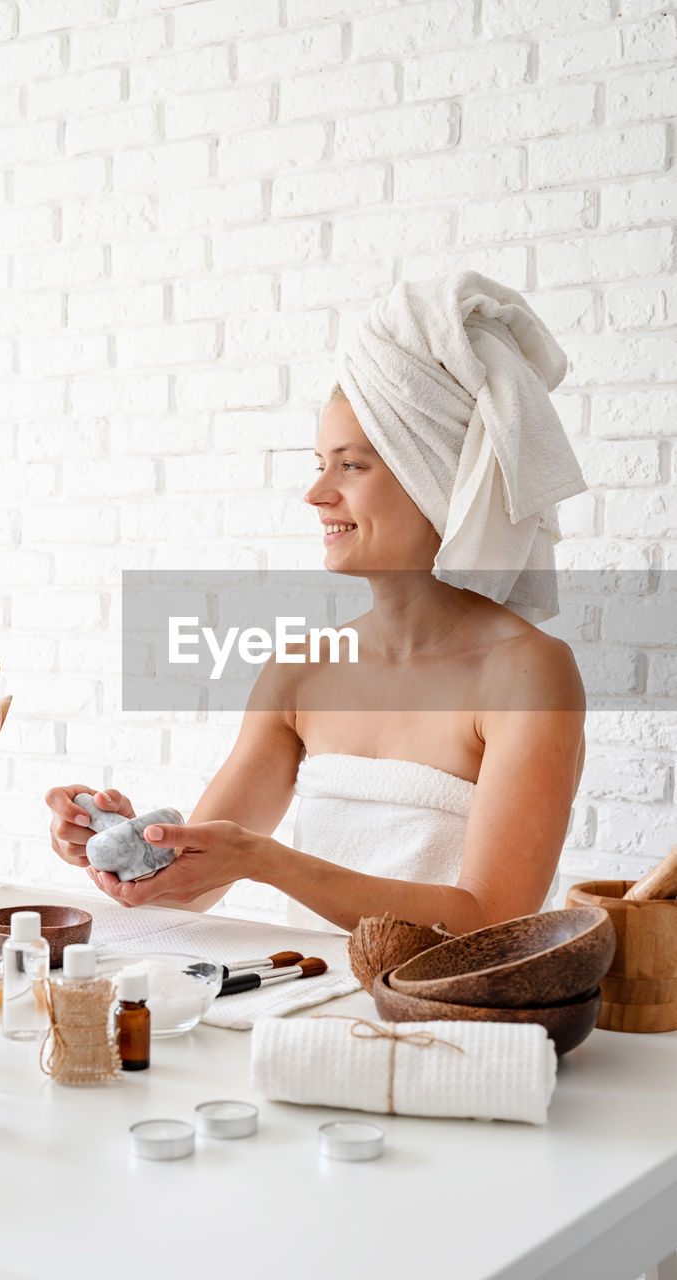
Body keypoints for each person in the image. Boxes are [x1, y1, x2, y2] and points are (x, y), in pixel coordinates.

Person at [45, 272, 588, 935]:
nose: (317, 494)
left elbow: (490, 918)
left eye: (352, 466)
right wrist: (128, 848)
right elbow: (183, 893)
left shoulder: (527, 674)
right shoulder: (301, 670)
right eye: (318, 464)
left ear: (437, 479)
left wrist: (265, 861)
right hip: (309, 1010)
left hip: (453, 1024)